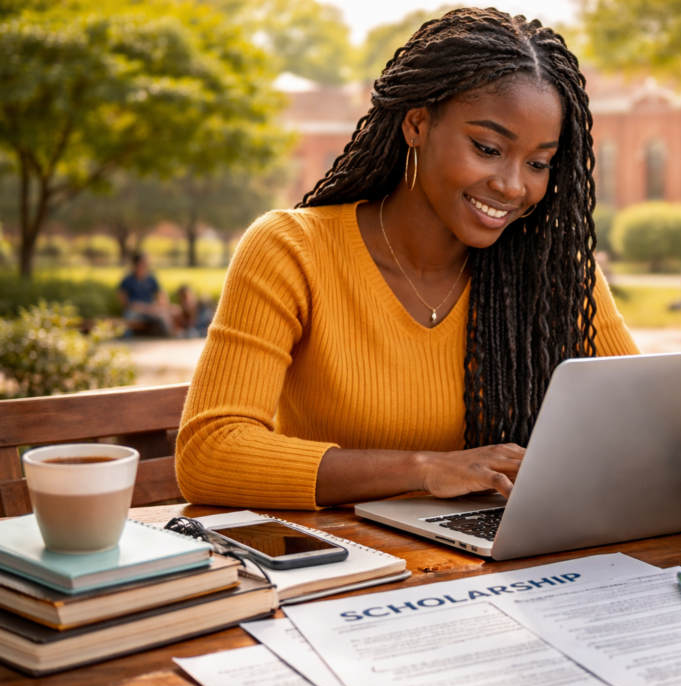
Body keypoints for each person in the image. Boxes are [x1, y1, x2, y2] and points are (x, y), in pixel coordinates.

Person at [175, 9, 640, 511]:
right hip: (345, 551)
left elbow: (647, 419)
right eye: (487, 148)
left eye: (537, 163)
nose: (512, 186)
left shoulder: (554, 270)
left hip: (507, 549)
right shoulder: (292, 250)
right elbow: (210, 452)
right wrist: (424, 469)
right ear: (417, 124)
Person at [117, 253, 174, 337]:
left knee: (165, 313)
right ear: (135, 265)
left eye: (146, 264)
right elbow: (124, 303)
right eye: (141, 264)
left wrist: (161, 306)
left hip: (150, 309)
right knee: (129, 316)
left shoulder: (151, 279)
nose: (144, 266)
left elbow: (162, 296)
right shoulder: (127, 280)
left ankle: (170, 334)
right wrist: (143, 308)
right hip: (134, 310)